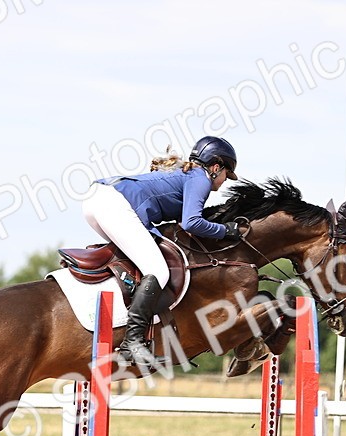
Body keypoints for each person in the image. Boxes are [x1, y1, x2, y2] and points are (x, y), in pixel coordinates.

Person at [82, 136, 242, 365]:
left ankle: (120, 315)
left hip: (96, 200)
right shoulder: (201, 179)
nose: (226, 181)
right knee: (158, 270)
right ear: (216, 167)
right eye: (227, 174)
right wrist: (225, 231)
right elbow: (191, 223)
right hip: (113, 204)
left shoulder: (188, 175)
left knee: (139, 262)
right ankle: (132, 343)